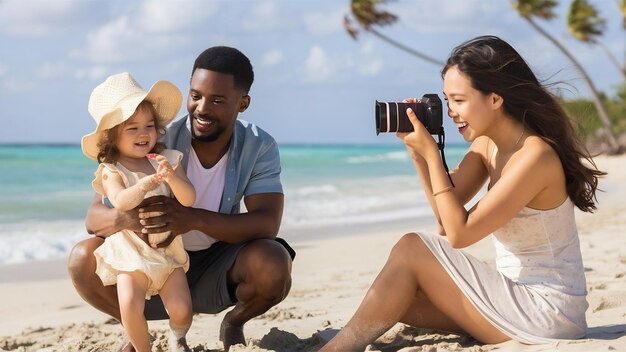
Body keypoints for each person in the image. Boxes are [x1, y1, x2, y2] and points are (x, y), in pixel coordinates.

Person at [321, 35, 604, 351]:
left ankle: (333, 349)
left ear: (495, 99)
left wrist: (432, 155)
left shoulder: (535, 156)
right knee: (402, 297)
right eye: (446, 101)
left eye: (459, 100)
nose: (451, 112)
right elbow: (445, 220)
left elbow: (459, 234)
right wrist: (418, 154)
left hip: (548, 310)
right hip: (513, 298)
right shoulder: (487, 145)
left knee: (411, 247)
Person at [68, 46, 295, 352]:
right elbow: (93, 218)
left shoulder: (259, 146)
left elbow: (268, 223)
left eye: (217, 100)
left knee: (273, 262)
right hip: (148, 259)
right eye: (196, 95)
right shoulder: (154, 141)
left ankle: (234, 323)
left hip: (219, 262)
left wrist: (192, 219)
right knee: (83, 259)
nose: (201, 108)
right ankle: (134, 329)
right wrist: (129, 219)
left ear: (243, 103)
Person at [81, 72, 196, 352]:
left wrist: (170, 178)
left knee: (182, 310)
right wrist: (146, 184)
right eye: (132, 128)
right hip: (130, 255)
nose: (143, 133)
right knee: (130, 309)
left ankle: (177, 336)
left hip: (167, 252)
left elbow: (189, 198)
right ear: (112, 135)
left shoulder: (166, 160)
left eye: (149, 125)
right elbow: (120, 201)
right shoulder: (111, 170)